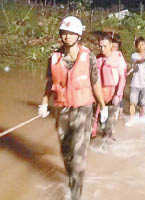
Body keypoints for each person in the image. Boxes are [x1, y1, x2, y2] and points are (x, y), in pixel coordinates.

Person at [38, 16, 108, 200]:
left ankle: (76, 194)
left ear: (78, 35)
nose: (67, 36)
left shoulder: (89, 58)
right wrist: (44, 103)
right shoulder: (53, 58)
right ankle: (72, 176)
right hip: (62, 110)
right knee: (65, 151)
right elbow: (49, 82)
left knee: (78, 157)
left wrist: (103, 106)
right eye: (64, 33)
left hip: (83, 110)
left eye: (71, 33)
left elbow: (95, 83)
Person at [91, 34, 126, 142]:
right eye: (100, 46)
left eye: (105, 46)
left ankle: (107, 140)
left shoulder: (118, 58)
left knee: (109, 120)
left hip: (113, 92)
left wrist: (118, 95)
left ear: (111, 45)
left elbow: (122, 78)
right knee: (99, 119)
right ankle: (99, 136)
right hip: (100, 93)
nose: (102, 49)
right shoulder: (97, 59)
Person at [126, 37, 145, 123]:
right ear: (136, 47)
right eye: (139, 45)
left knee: (143, 104)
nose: (141, 46)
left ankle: (141, 120)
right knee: (132, 103)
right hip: (135, 83)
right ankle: (131, 119)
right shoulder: (134, 55)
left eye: (142, 44)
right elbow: (138, 61)